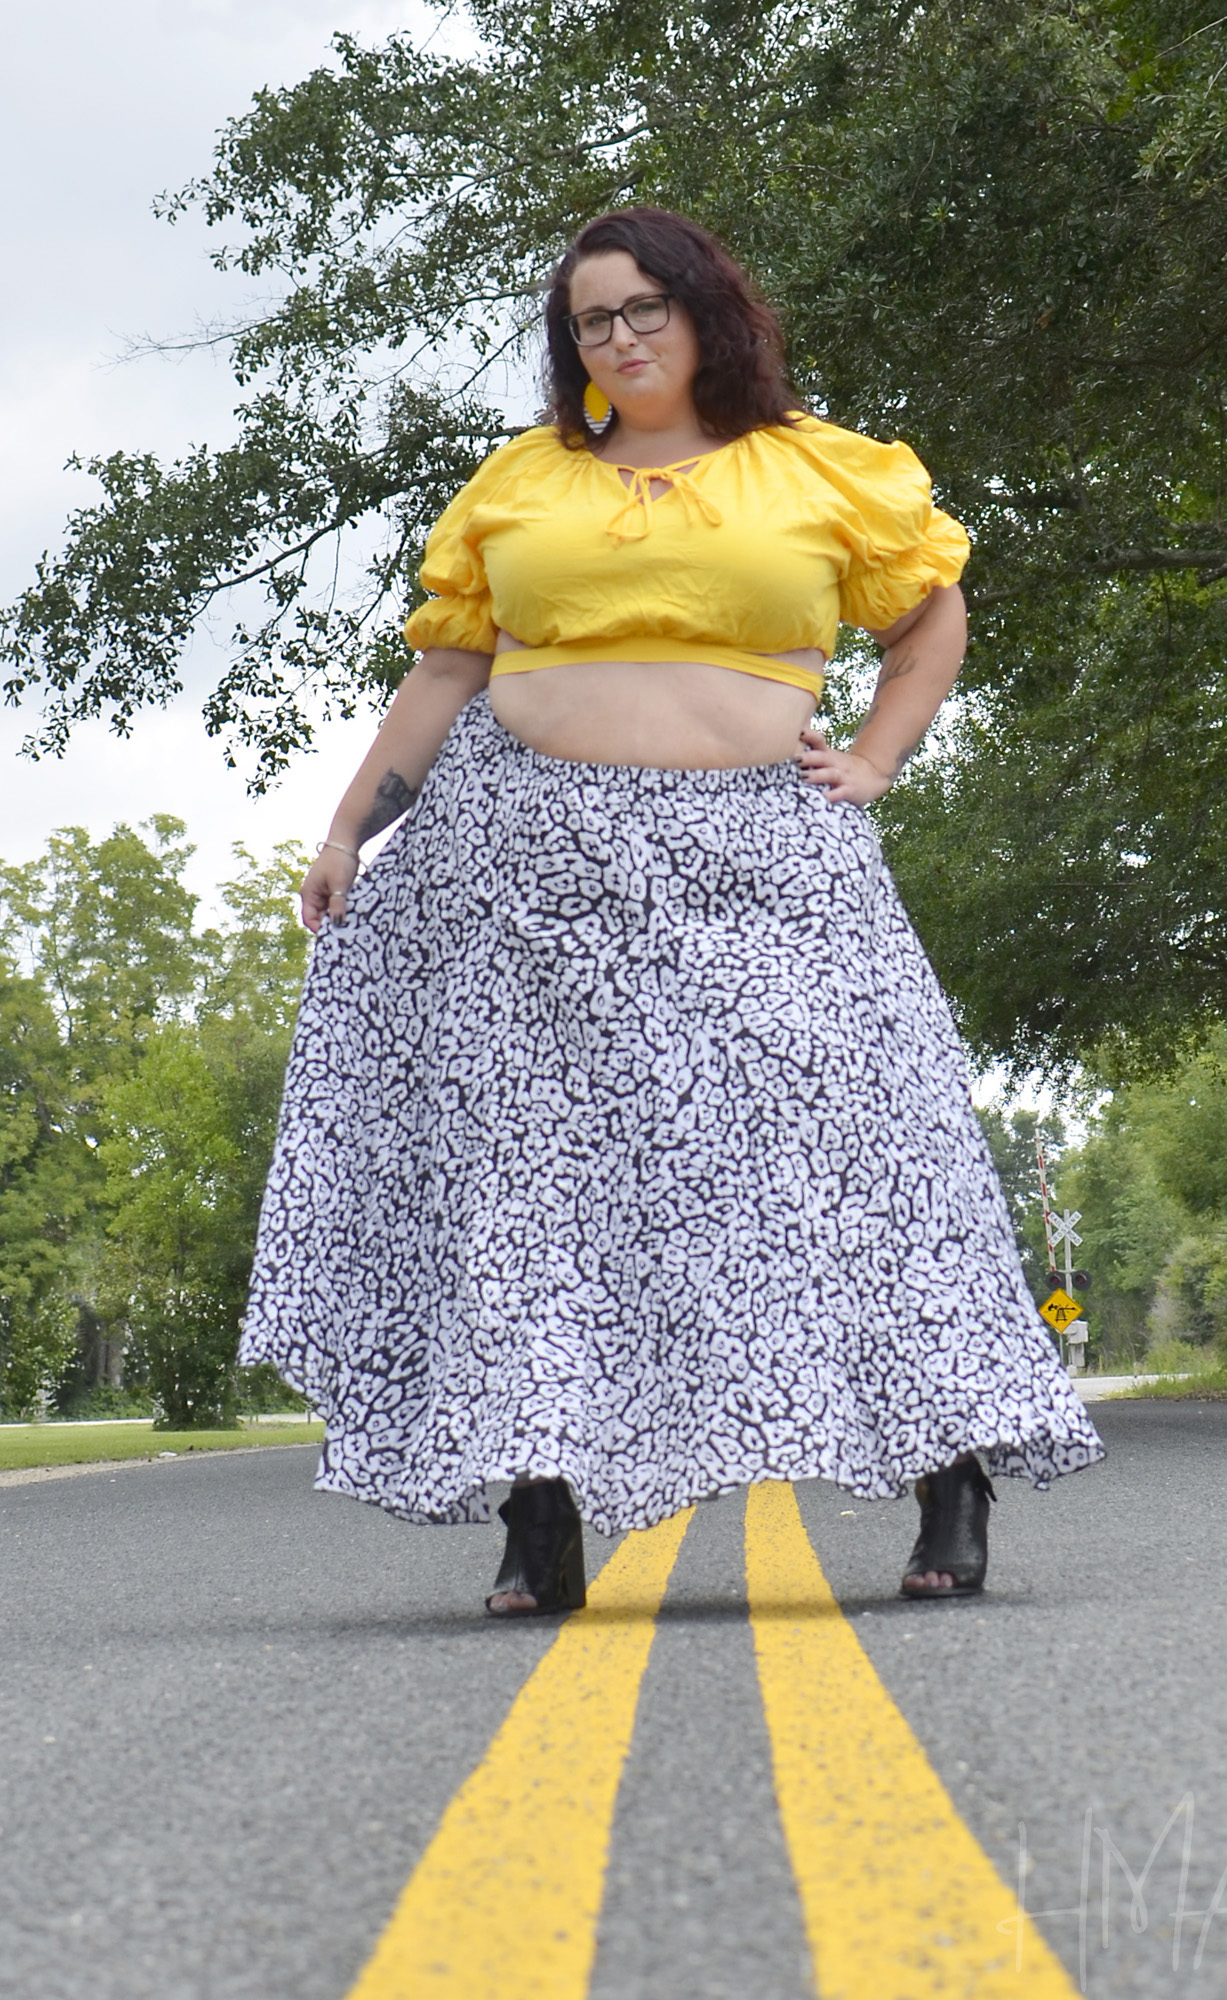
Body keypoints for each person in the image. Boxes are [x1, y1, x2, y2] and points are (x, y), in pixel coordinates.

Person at [240, 206, 1103, 1614]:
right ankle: (538, 1512)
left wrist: (876, 758)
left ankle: (952, 1475)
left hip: (764, 865)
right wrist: (347, 828)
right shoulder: (523, 481)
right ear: (568, 345)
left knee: (865, 1163)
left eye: (644, 308)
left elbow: (928, 615)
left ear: (707, 313)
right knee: (529, 1187)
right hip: (526, 880)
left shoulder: (819, 469)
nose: (622, 337)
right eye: (593, 320)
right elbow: (449, 674)